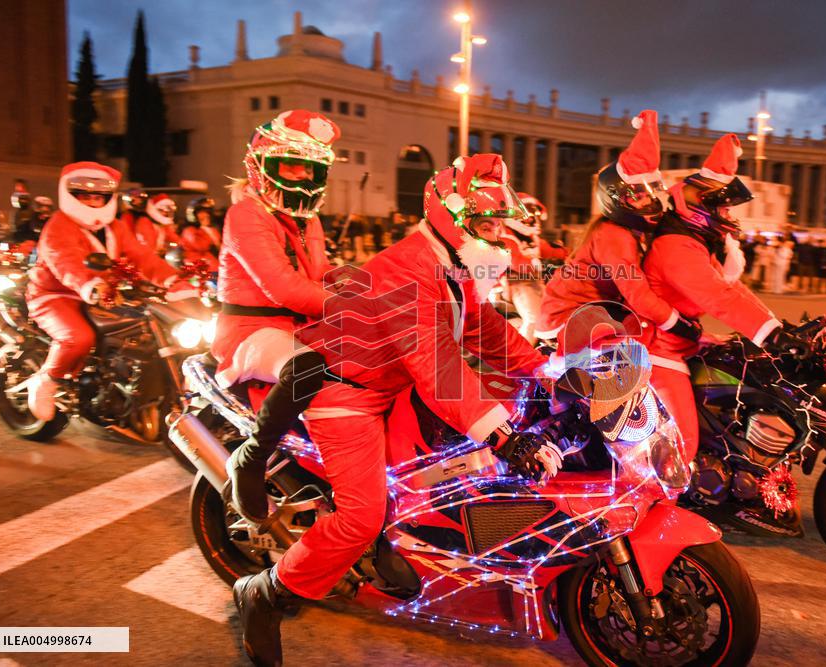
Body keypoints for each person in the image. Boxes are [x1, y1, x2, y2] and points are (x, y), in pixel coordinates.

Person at [230, 154, 562, 667]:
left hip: (395, 384)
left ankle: (400, 546)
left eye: (501, 223)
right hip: (348, 391)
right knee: (361, 514)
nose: (500, 235)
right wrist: (505, 436)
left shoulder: (450, 260)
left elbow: (481, 328)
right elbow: (437, 365)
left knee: (447, 470)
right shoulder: (405, 268)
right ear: (453, 217)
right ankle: (268, 592)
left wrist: (545, 368)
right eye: (488, 223)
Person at [213, 109, 340, 529]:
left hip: (299, 326)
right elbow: (284, 288)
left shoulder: (308, 219)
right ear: (261, 163)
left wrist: (377, 287)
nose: (302, 177)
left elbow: (320, 276)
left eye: (311, 168)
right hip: (254, 331)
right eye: (291, 164)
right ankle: (251, 458)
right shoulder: (246, 215)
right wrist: (346, 305)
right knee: (308, 367)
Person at [643, 133, 798, 460]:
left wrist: (776, 326)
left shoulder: (694, 241)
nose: (729, 215)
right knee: (682, 444)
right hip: (657, 351)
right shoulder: (675, 246)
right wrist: (770, 334)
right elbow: (717, 297)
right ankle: (655, 505)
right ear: (704, 205)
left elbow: (732, 289)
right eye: (725, 207)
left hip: (683, 343)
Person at [25, 162, 195, 421]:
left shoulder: (115, 226)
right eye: (85, 196)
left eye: (98, 196)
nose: (93, 202)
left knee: (143, 328)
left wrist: (174, 281)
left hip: (105, 294)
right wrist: (90, 285)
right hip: (56, 295)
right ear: (71, 196)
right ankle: (46, 381)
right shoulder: (59, 225)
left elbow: (142, 257)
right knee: (78, 337)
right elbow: (65, 260)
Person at [537, 110, 696, 347]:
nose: (648, 201)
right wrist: (677, 322)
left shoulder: (630, 231)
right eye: (638, 196)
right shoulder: (614, 234)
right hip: (569, 315)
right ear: (616, 199)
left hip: (593, 311)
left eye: (650, 193)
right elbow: (637, 293)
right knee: (629, 355)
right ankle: (560, 377)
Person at [497, 192, 568, 342]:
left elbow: (553, 250)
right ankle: (518, 360)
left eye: (535, 214)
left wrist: (574, 256)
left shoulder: (530, 238)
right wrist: (542, 264)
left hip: (533, 282)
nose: (532, 219)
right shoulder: (505, 238)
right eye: (528, 214)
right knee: (534, 320)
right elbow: (518, 263)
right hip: (517, 284)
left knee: (555, 312)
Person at [180, 196, 220, 270]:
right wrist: (211, 238)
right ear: (193, 215)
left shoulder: (212, 229)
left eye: (208, 212)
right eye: (201, 212)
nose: (206, 215)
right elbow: (201, 246)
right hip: (197, 268)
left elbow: (220, 247)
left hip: (213, 267)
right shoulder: (189, 230)